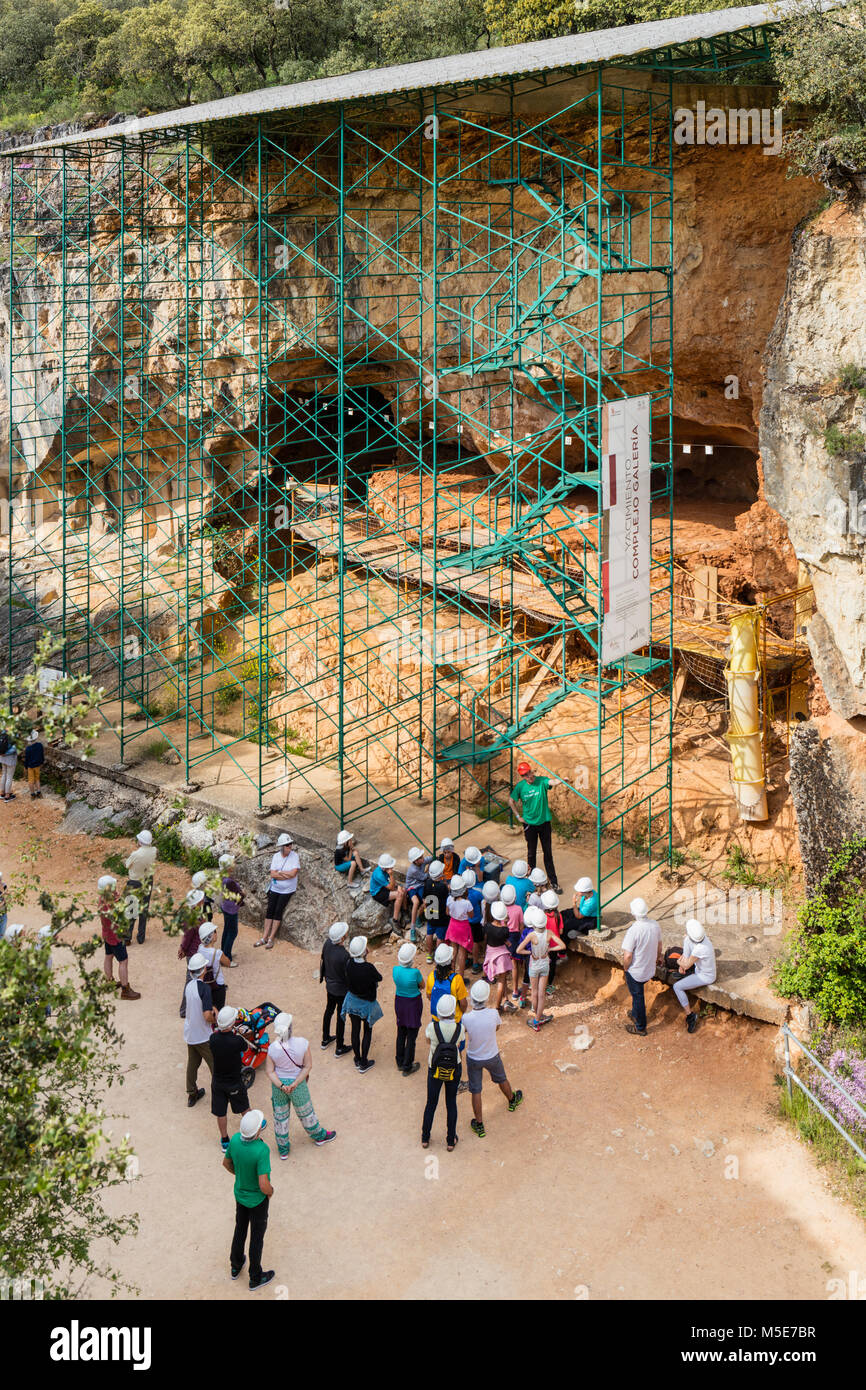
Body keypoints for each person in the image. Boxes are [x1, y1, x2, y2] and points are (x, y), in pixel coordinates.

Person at [265, 1011, 336, 1156]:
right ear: (291, 1027)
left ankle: (283, 1149)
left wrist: (282, 1086)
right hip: (298, 1085)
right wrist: (296, 1083)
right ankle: (319, 1136)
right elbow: (307, 1066)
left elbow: (270, 1071)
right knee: (306, 1113)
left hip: (279, 1086)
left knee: (280, 1117)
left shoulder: (272, 1049)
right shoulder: (302, 1043)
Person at [463, 979, 523, 1138]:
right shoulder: (493, 1014)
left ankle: (480, 1124)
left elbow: (464, 1032)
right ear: (486, 998)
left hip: (474, 1057)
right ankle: (512, 1100)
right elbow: (496, 1027)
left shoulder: (466, 1019)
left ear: (472, 998)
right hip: (491, 1054)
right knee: (501, 1078)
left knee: (476, 1090)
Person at [223, 1109, 275, 1290]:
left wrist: (241, 1177)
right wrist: (270, 1192)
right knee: (256, 1238)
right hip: (258, 1201)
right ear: (257, 1132)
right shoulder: (261, 1150)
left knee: (240, 1229)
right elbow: (263, 1184)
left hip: (240, 1195)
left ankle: (235, 1266)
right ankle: (255, 1277)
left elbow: (226, 1163)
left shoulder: (235, 1140)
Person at [507, 760, 562, 892]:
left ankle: (553, 882)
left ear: (532, 771)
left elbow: (551, 782)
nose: (528, 776)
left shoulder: (541, 781)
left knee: (547, 853)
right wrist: (518, 817)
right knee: (531, 853)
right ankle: (531, 882)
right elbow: (511, 801)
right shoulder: (520, 787)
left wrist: (561, 780)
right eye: (524, 775)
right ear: (522, 776)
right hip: (529, 825)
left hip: (544, 823)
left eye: (528, 773)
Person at [420, 993, 465, 1152]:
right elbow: (459, 1044)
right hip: (454, 1068)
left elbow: (428, 1041)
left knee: (431, 1103)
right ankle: (450, 1140)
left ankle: (425, 1137)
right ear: (454, 1010)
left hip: (435, 1068)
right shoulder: (459, 1028)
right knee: (451, 1103)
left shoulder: (432, 1027)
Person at [516, 905, 565, 1031]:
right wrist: (550, 949)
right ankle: (539, 1017)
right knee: (542, 994)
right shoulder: (549, 933)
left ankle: (536, 1019)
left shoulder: (532, 935)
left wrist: (530, 953)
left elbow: (519, 950)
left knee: (534, 992)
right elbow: (562, 945)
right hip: (545, 965)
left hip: (534, 965)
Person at [210, 1005, 251, 1152]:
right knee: (244, 1108)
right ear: (231, 1023)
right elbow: (245, 1049)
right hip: (234, 1082)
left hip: (217, 1082)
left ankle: (224, 1139)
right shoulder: (237, 1041)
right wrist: (238, 1033)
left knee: (221, 1112)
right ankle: (252, 1132)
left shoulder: (213, 1038)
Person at [622, 897, 663, 1037]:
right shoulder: (655, 925)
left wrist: (625, 968)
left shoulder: (633, 930)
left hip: (636, 971)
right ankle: (635, 1013)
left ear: (633, 913)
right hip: (649, 968)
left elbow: (627, 956)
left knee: (638, 996)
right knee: (637, 995)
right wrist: (658, 957)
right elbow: (659, 945)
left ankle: (640, 1027)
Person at [342, 936, 383, 1074]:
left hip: (352, 1000)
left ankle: (357, 1058)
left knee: (355, 1030)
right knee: (367, 1030)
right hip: (366, 1003)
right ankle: (364, 1062)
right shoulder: (368, 967)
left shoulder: (349, 964)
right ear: (363, 951)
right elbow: (379, 978)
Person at [98, 875, 141, 1000]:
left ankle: (109, 981)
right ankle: (125, 989)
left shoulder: (102, 899)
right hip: (116, 936)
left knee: (108, 956)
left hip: (107, 934)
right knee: (123, 961)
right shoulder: (114, 904)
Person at [674, 918, 716, 1033]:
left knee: (677, 987)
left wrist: (680, 964)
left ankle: (690, 1015)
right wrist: (681, 967)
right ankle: (687, 977)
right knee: (680, 970)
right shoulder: (689, 939)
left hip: (706, 976)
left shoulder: (701, 948)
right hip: (697, 968)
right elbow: (686, 956)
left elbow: (686, 964)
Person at [183, 952, 215, 1106]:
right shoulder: (205, 989)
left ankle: (191, 1092)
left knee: (192, 1064)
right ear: (203, 970)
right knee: (215, 1065)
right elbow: (207, 1015)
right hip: (203, 1035)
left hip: (190, 1033)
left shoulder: (189, 986)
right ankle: (219, 1093)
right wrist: (216, 1020)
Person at [257, 832, 299, 948]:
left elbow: (294, 873)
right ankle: (264, 937)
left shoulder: (295, 856)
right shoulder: (276, 856)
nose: (289, 846)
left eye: (290, 844)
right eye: (287, 845)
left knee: (278, 911)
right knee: (270, 910)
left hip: (287, 890)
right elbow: (273, 875)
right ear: (281, 846)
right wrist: (286, 874)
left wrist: (280, 873)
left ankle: (271, 938)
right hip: (275, 888)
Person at [320, 920, 352, 1055]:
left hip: (330, 985)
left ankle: (325, 1038)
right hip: (341, 990)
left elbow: (323, 959)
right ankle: (339, 1046)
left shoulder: (327, 944)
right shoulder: (344, 955)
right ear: (342, 937)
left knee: (329, 1010)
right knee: (341, 1016)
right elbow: (348, 975)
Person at [392, 941, 424, 1076]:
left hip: (400, 1002)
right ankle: (407, 1066)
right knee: (411, 1036)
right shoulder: (415, 972)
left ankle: (399, 1061)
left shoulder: (395, 970)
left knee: (401, 1032)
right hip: (413, 1004)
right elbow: (422, 985)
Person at [124, 828, 157, 944]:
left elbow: (127, 865)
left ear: (140, 842)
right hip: (147, 881)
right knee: (144, 908)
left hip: (134, 882)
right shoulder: (154, 851)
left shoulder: (135, 854)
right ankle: (141, 937)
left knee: (131, 909)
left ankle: (127, 937)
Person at [425, 942, 469, 1022]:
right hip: (454, 1020)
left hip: (437, 1018)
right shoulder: (457, 979)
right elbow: (463, 1004)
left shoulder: (432, 976)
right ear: (451, 960)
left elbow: (429, 996)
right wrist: (461, 1013)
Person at [483, 900, 514, 1010]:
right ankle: (497, 1006)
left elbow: (489, 937)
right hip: (501, 957)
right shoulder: (504, 930)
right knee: (501, 980)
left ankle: (506, 999)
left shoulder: (487, 926)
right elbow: (503, 933)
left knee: (502, 978)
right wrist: (505, 923)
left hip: (491, 953)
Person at [197, 921, 230, 1012]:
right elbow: (228, 963)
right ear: (211, 936)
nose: (216, 934)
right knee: (218, 1009)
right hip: (217, 984)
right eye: (215, 931)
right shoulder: (217, 953)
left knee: (207, 1007)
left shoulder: (199, 948)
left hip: (205, 983)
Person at [421, 859, 450, 962]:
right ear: (440, 873)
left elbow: (424, 898)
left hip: (430, 913)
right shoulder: (442, 887)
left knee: (429, 934)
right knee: (439, 937)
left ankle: (429, 955)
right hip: (441, 916)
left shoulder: (428, 882)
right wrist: (446, 884)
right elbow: (448, 896)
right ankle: (438, 956)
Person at [444, 874, 473, 977]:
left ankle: (451, 973)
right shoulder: (467, 903)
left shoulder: (449, 899)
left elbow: (447, 913)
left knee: (453, 950)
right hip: (463, 927)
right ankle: (460, 977)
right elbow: (471, 915)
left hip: (452, 925)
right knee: (462, 952)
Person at [218, 854, 244, 965]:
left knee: (227, 930)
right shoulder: (229, 881)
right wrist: (244, 893)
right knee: (233, 932)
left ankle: (223, 953)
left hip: (226, 907)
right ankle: (227, 958)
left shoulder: (224, 877)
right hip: (231, 909)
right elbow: (239, 894)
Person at [541, 888, 566, 996]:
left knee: (544, 965)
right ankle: (549, 985)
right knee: (552, 966)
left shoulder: (543, 916)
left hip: (545, 945)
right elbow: (561, 930)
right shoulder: (558, 915)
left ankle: (541, 984)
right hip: (555, 946)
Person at [369, 852, 405, 924]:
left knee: (402, 889)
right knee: (399, 895)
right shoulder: (379, 874)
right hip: (378, 893)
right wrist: (391, 875)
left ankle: (405, 910)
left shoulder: (385, 870)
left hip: (383, 886)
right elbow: (391, 888)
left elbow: (393, 883)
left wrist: (397, 887)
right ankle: (395, 920)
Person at [463, 867, 485, 974]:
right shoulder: (477, 894)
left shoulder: (461, 894)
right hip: (475, 922)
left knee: (466, 941)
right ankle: (475, 964)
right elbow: (483, 903)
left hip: (464, 922)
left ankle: (466, 960)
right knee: (475, 942)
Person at [404, 846, 429, 933]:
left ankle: (418, 917)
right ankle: (413, 927)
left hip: (420, 885)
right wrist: (429, 869)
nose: (423, 858)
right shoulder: (413, 870)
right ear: (415, 861)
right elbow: (424, 877)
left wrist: (435, 859)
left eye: (422, 856)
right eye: (421, 857)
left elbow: (429, 859)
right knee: (416, 902)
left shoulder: (421, 862)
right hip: (412, 887)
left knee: (425, 900)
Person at [177, 888, 205, 961]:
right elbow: (187, 937)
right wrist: (183, 948)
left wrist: (182, 947)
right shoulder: (191, 919)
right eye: (201, 899)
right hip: (193, 953)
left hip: (197, 951)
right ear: (197, 903)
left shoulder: (198, 914)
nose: (203, 900)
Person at [24, 730, 44, 798]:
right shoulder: (40, 745)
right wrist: (41, 762)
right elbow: (41, 755)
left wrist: (25, 767)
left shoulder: (28, 748)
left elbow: (26, 759)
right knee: (37, 779)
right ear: (36, 738)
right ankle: (39, 792)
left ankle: (32, 794)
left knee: (31, 781)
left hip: (30, 766)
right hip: (37, 765)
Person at [0, 729, 17, 801]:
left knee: (4, 774)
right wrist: (6, 753)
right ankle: (7, 795)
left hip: (1, 757)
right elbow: (14, 748)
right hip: (10, 758)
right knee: (9, 776)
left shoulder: (2, 732)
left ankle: (2, 793)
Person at [0, 868, 7, 938]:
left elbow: (8, 899)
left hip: (3, 914)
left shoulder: (4, 886)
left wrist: (2, 891)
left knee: (1, 935)